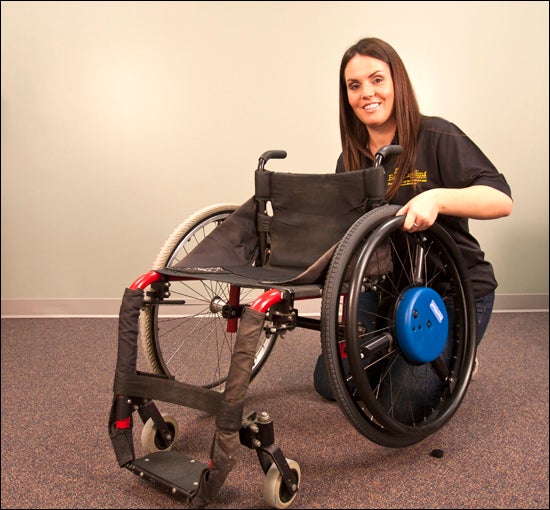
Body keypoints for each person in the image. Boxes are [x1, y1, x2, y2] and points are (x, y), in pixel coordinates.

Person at [314, 37, 513, 401]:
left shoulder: (436, 135)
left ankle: (458, 355)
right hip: (390, 291)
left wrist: (437, 197)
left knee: (400, 403)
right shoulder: (351, 161)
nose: (366, 93)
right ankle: (410, 351)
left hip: (451, 293)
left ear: (396, 83)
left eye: (377, 80)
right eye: (354, 86)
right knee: (330, 384)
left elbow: (500, 199)